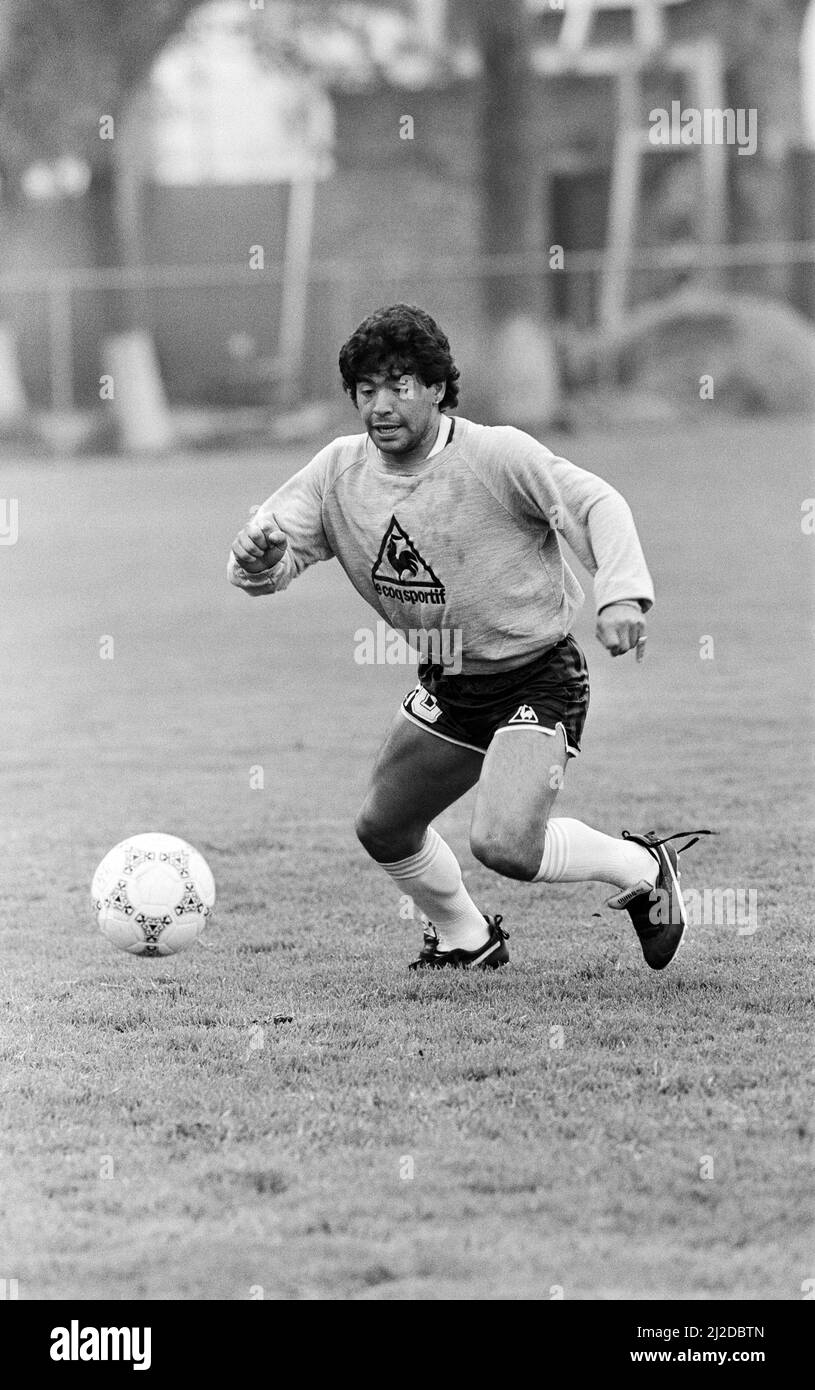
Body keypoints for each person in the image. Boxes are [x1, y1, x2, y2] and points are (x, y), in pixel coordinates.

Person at [229, 304, 711, 970]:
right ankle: (466, 937)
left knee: (505, 846)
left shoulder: (495, 454)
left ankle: (641, 868)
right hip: (451, 680)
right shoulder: (338, 472)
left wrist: (621, 593)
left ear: (434, 386)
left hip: (536, 674)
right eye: (365, 390)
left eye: (398, 385)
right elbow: (269, 557)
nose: (380, 404)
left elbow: (597, 502)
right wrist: (255, 561)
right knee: (384, 827)